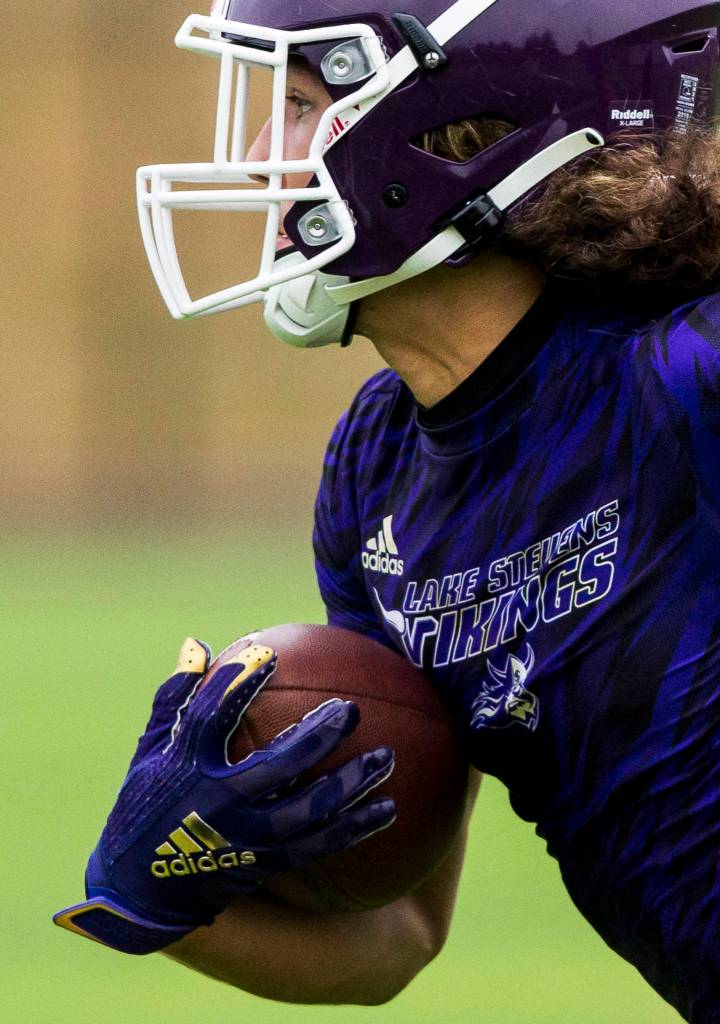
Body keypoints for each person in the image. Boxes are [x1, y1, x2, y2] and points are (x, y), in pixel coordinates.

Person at [55, 1, 720, 1019]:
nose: (256, 157)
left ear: (463, 127)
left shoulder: (678, 370)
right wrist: (149, 893)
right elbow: (399, 934)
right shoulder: (375, 469)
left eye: (296, 104)